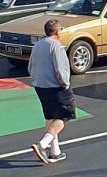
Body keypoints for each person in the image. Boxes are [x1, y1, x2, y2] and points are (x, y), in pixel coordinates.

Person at [29, 20, 74, 164]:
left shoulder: (38, 45)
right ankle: (42, 144)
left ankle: (55, 152)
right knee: (64, 116)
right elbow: (60, 69)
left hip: (40, 86)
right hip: (55, 87)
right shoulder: (56, 46)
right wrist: (65, 84)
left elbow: (30, 66)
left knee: (50, 117)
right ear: (57, 31)